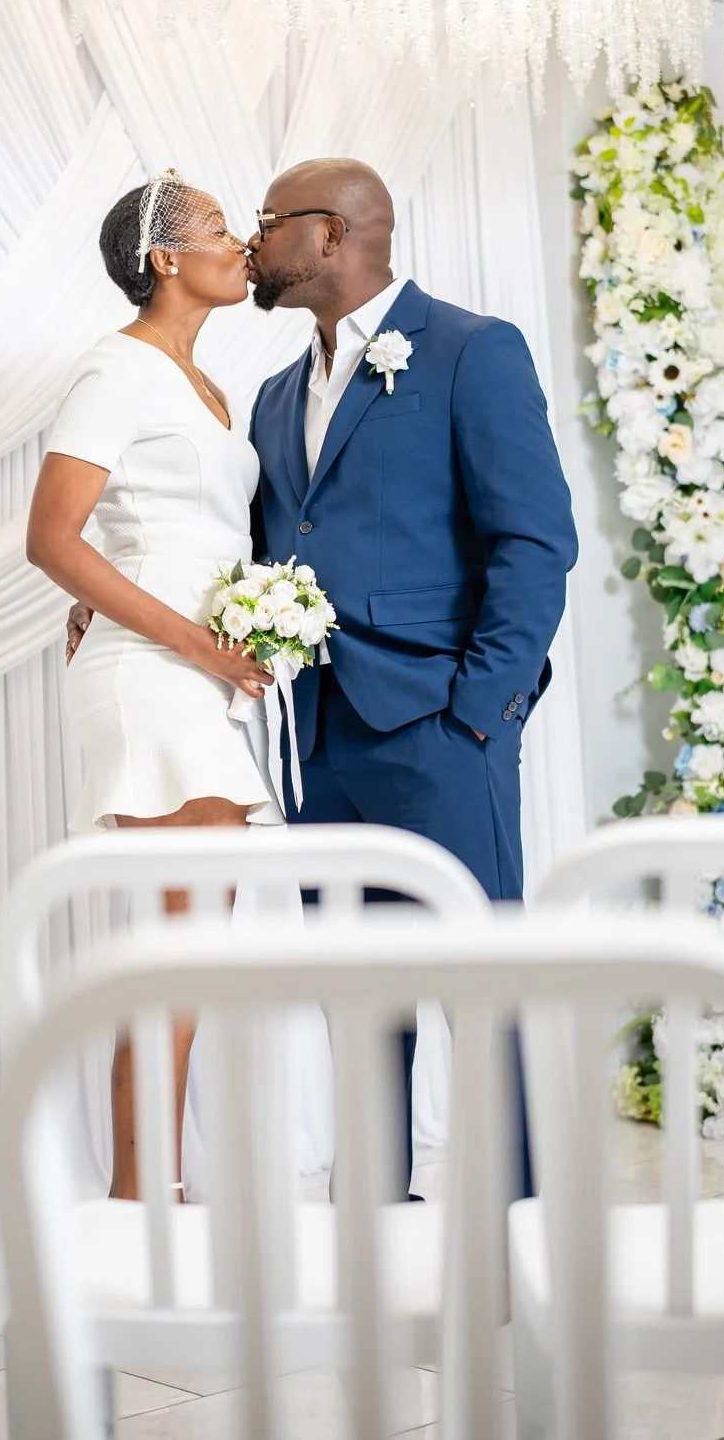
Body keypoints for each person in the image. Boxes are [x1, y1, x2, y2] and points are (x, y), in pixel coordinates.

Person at [244, 155, 577, 1198]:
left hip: (441, 727)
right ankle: (376, 1223)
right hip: (322, 739)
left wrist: (484, 710)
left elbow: (536, 541)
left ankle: (510, 1225)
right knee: (360, 992)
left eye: (266, 224)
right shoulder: (269, 393)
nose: (252, 246)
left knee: (484, 990)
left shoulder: (472, 350)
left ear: (333, 232)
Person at [26, 171, 274, 1201]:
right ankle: (142, 1205)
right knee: (171, 962)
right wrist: (196, 642)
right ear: (165, 258)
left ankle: (147, 1193)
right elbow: (50, 537)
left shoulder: (208, 385)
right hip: (154, 672)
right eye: (219, 228)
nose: (242, 242)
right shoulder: (113, 371)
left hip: (196, 671)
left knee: (178, 961)